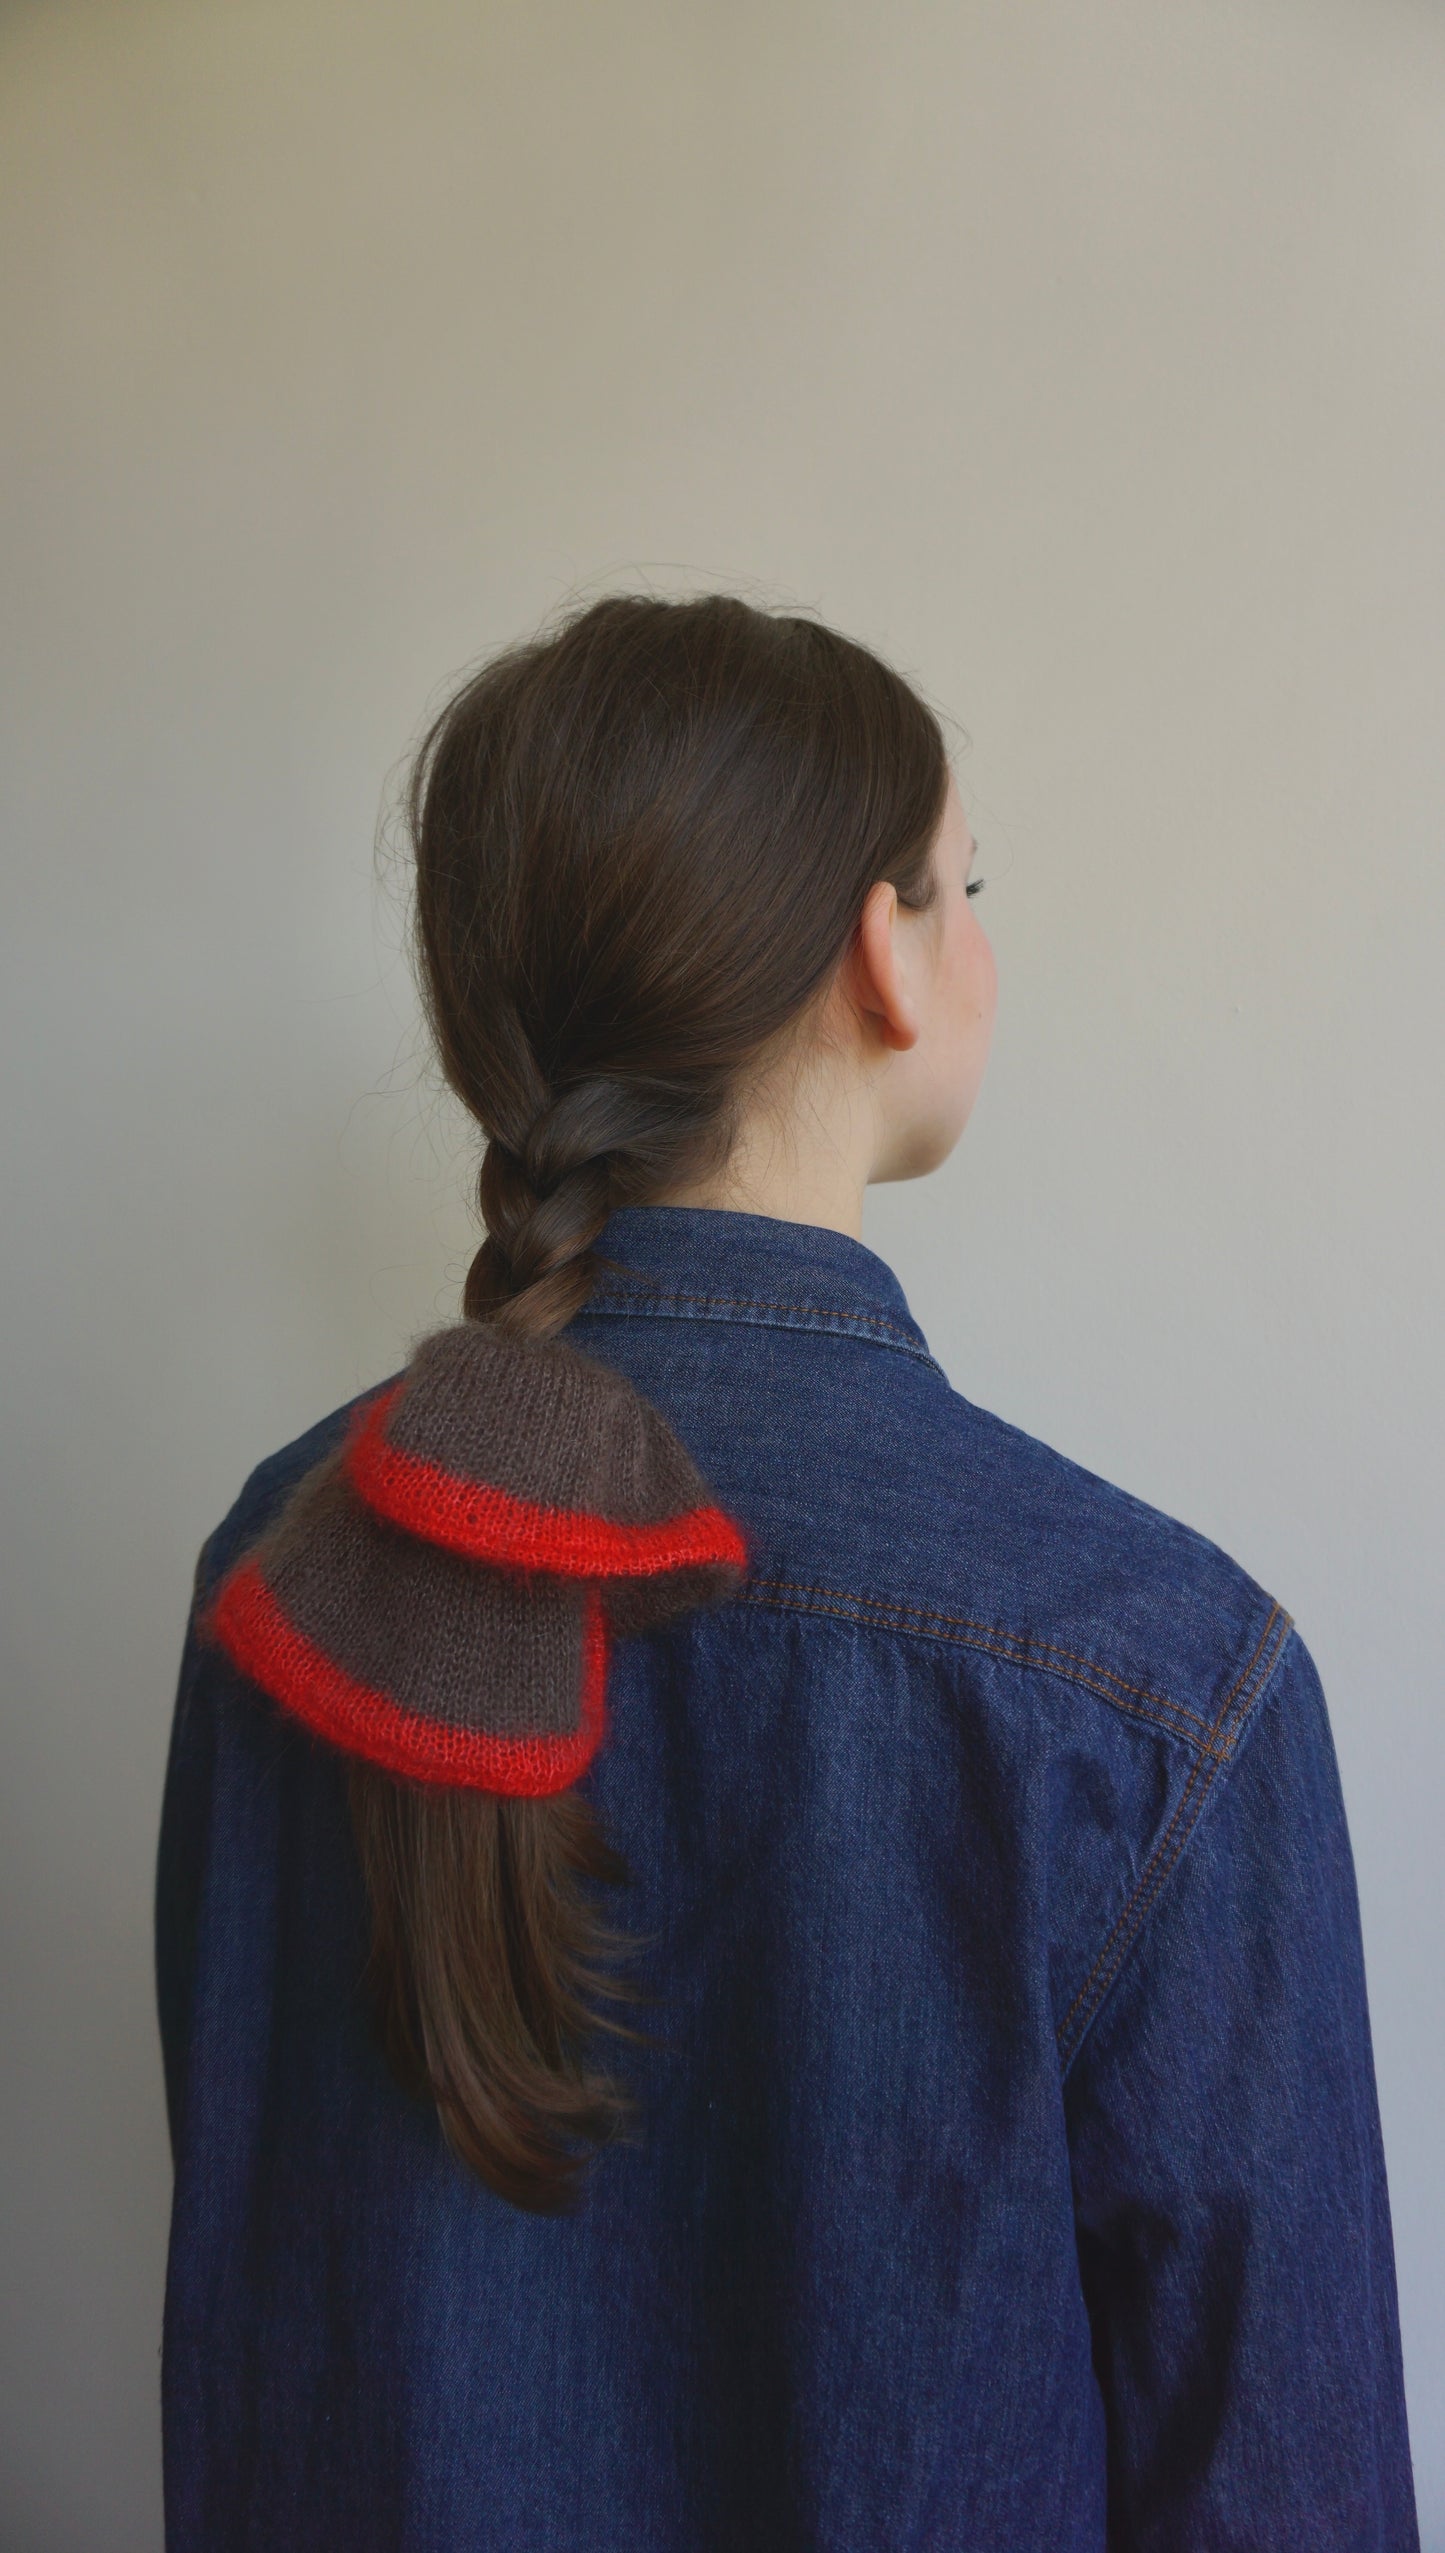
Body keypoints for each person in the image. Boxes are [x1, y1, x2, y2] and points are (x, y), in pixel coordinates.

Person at [155, 591, 1419, 2550]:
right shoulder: (1159, 1667)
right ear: (878, 954)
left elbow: (262, 2323)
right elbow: (1281, 2489)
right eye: (962, 882)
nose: (978, 934)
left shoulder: (290, 1554)